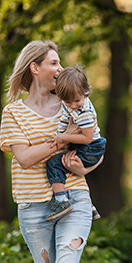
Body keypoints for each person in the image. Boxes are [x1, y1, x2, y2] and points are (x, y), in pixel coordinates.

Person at [0, 40, 98, 263]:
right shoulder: (13, 112)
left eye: (59, 63)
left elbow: (95, 144)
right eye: (53, 63)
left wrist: (83, 169)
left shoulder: (73, 100)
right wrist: (61, 142)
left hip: (73, 201)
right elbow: (24, 158)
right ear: (34, 68)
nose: (60, 69)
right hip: (32, 208)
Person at [45, 65, 106, 222]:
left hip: (90, 148)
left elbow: (87, 138)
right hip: (85, 145)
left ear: (86, 92)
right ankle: (88, 206)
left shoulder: (84, 113)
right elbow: (65, 119)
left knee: (54, 163)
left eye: (76, 101)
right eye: (67, 101)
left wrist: (63, 138)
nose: (73, 105)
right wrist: (60, 135)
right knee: (70, 167)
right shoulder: (71, 103)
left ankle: (61, 202)